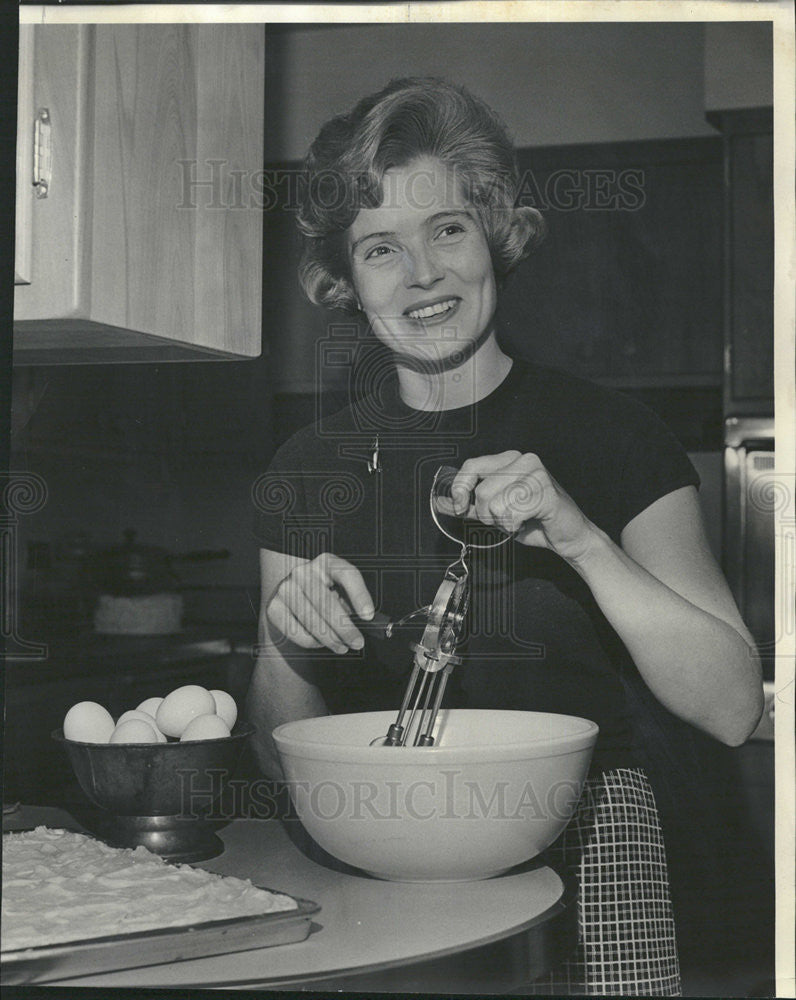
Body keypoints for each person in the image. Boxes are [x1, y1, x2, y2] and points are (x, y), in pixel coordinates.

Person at [246, 77, 763, 996]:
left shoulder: (613, 436)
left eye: (446, 228)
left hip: (597, 856)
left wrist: (579, 538)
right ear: (344, 282)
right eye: (379, 248)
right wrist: (289, 646)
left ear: (493, 233)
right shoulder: (305, 467)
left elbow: (731, 707)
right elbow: (283, 747)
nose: (422, 275)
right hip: (383, 864)